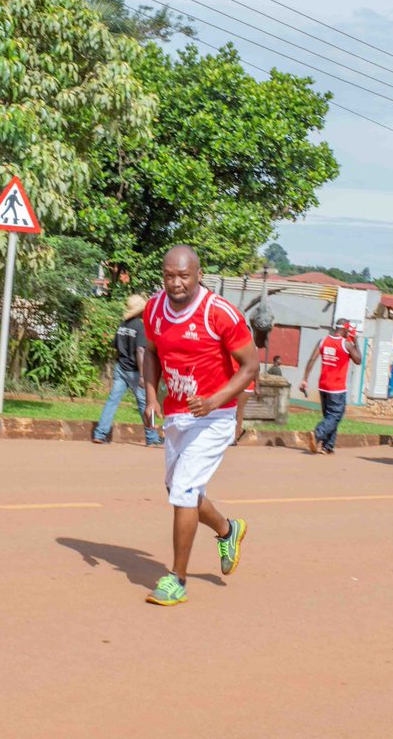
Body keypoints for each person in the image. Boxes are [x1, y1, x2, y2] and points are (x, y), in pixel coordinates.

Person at [141, 245, 258, 607]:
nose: (175, 283)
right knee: (178, 489)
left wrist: (215, 402)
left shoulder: (219, 313)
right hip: (177, 413)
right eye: (169, 275)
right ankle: (227, 529)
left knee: (184, 490)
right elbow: (150, 351)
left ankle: (177, 579)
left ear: (198, 274)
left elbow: (251, 367)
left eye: (183, 276)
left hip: (214, 416)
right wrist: (150, 396)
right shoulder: (155, 308)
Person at [93, 294, 161, 447]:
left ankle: (100, 433)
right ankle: (152, 438)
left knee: (112, 401)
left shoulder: (122, 325)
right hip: (135, 372)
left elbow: (116, 345)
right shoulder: (140, 326)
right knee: (145, 403)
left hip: (121, 368)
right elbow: (141, 351)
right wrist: (143, 375)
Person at [300, 318, 363, 454]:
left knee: (329, 417)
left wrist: (305, 379)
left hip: (323, 385)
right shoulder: (347, 344)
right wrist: (355, 341)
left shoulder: (323, 341)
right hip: (337, 388)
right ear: (346, 329)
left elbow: (312, 359)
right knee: (335, 416)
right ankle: (317, 434)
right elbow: (358, 360)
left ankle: (327, 447)